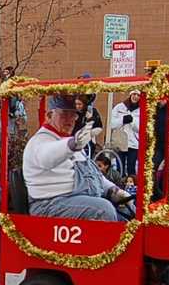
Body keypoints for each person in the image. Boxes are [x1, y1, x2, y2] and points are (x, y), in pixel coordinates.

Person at [22, 94, 131, 222]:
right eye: (64, 114)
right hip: (49, 205)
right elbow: (48, 157)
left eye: (73, 115)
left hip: (76, 200)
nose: (70, 120)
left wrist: (113, 190)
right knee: (103, 210)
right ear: (49, 116)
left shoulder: (68, 141)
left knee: (126, 216)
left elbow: (90, 173)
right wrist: (72, 144)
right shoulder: (40, 141)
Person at [109, 90, 141, 176]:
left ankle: (131, 187)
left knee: (131, 167)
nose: (136, 97)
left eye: (138, 95)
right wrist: (122, 120)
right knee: (120, 168)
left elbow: (141, 128)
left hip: (133, 143)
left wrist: (132, 121)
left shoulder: (142, 110)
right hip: (120, 141)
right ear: (130, 95)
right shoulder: (119, 107)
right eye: (134, 94)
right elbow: (111, 124)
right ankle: (120, 185)